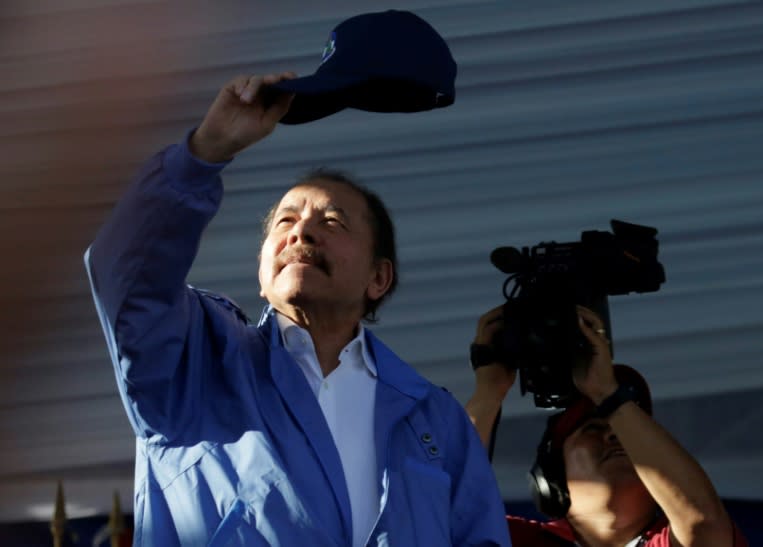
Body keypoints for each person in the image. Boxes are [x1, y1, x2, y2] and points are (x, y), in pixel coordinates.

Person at [84, 72, 511, 547]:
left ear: (378, 278)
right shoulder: (195, 363)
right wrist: (204, 152)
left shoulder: (435, 418)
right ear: (263, 272)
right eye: (286, 220)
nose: (301, 234)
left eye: (331, 221)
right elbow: (125, 272)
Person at [465, 304, 749, 546]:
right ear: (552, 480)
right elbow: (438, 508)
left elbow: (702, 521)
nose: (614, 434)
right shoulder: (520, 539)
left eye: (625, 432)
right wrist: (489, 391)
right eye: (592, 429)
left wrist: (608, 395)